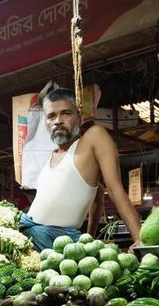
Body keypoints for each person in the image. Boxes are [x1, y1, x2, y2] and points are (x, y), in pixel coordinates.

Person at [19, 88, 144, 251]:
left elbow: (114, 189)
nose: (58, 121)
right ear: (46, 123)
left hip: (55, 245)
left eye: (66, 113)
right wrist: (89, 237)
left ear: (80, 116)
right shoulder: (50, 158)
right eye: (51, 116)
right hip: (26, 238)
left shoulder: (93, 137)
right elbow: (97, 192)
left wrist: (141, 240)